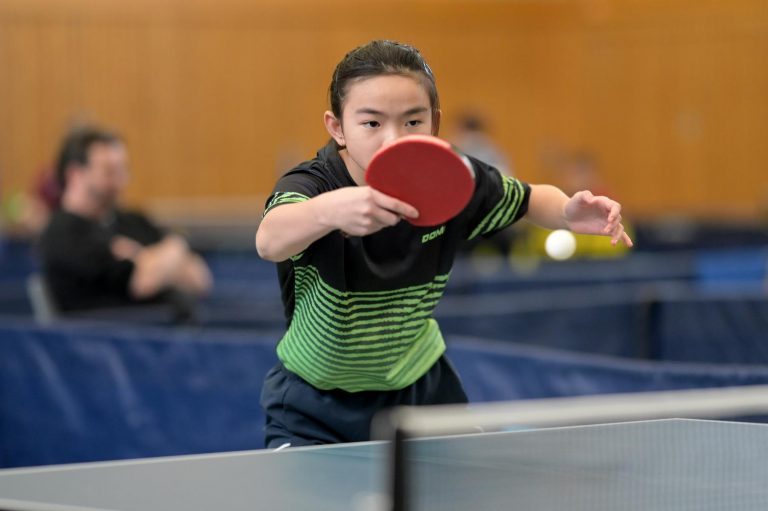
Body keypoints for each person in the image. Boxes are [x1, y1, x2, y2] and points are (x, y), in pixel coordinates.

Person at [255, 40, 632, 448]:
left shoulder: (452, 177)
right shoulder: (314, 184)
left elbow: (528, 198)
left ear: (434, 122)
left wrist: (566, 213)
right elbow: (270, 239)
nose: (393, 139)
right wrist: (328, 212)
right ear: (337, 128)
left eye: (412, 121)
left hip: (421, 392)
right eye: (372, 123)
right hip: (314, 405)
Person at [38, 126, 212, 320]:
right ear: (75, 174)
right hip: (108, 336)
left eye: (123, 170)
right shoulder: (63, 233)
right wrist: (167, 259)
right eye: (109, 172)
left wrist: (167, 247)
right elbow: (143, 283)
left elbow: (199, 278)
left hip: (173, 332)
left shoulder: (133, 221)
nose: (120, 182)